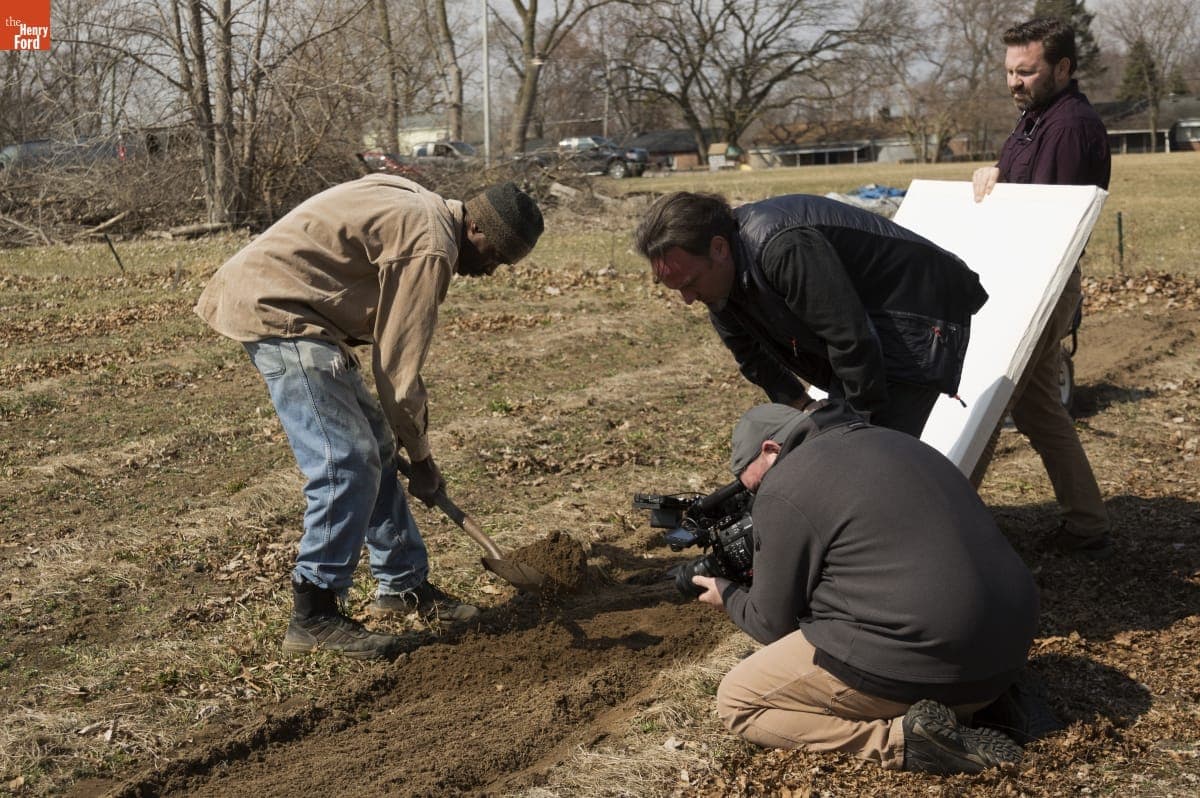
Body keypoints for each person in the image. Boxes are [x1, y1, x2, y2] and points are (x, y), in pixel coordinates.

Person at [195, 176, 544, 660]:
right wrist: (421, 458)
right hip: (278, 310)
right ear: (479, 230)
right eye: (496, 259)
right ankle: (314, 614)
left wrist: (405, 446)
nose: (490, 270)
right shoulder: (432, 246)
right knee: (347, 461)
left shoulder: (424, 208)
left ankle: (402, 587)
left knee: (376, 448)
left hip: (298, 307)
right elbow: (398, 370)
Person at [691, 401, 1040, 773]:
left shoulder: (786, 482)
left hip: (933, 661)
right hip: (1008, 650)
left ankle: (908, 743)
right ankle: (988, 706)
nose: (756, 496)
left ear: (771, 450)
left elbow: (770, 623)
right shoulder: (895, 441)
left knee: (739, 700)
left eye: (753, 484)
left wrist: (725, 593)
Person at [633, 192, 988, 438]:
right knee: (840, 441)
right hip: (864, 328)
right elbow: (751, 357)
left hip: (913, 311)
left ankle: (922, 533)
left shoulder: (782, 247)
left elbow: (850, 338)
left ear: (719, 248)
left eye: (690, 283)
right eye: (675, 288)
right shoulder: (717, 284)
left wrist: (856, 424)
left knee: (877, 453)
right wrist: (800, 405)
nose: (688, 299)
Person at [972, 17, 1112, 558]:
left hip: (1040, 286)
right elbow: (1018, 190)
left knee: (988, 399)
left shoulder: (1069, 127)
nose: (1014, 81)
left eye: (1026, 72)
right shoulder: (1033, 120)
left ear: (1063, 67)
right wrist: (993, 174)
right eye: (1009, 71)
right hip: (1020, 279)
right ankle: (1087, 524)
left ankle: (945, 516)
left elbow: (1043, 221)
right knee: (1036, 409)